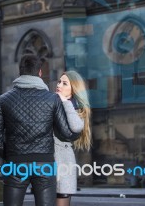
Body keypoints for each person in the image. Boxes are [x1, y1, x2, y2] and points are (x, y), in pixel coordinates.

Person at [0, 54, 81, 206]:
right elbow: (66, 134)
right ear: (40, 73)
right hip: (44, 164)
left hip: (15, 164)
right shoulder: (52, 99)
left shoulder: (3, 99)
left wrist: (9, 155)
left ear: (20, 72)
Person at [54, 70, 91, 206]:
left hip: (63, 161)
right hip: (46, 160)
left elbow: (76, 126)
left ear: (73, 90)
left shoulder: (75, 109)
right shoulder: (51, 102)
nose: (59, 85)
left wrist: (65, 101)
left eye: (64, 83)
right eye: (59, 81)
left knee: (62, 200)